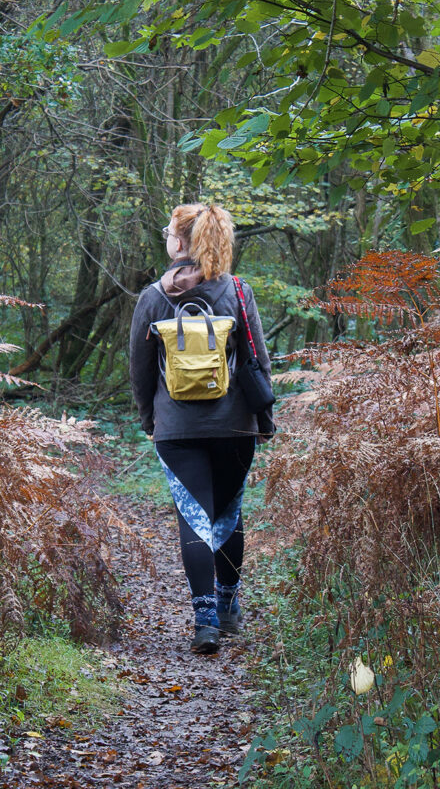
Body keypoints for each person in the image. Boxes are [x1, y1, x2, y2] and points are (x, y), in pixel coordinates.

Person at [128, 202, 275, 655]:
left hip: (177, 428)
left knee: (194, 517)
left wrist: (150, 418)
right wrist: (264, 418)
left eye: (168, 232)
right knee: (228, 512)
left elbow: (139, 368)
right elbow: (258, 358)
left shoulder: (153, 296)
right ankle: (229, 609)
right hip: (234, 425)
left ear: (179, 242)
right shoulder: (236, 290)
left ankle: (204, 621)